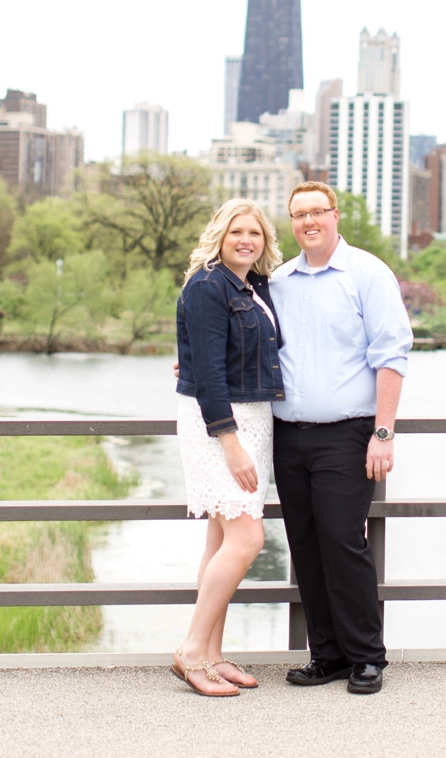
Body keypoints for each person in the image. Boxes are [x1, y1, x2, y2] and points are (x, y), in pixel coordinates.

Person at [273, 181, 412, 696]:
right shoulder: (280, 280)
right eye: (298, 214)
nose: (308, 222)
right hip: (288, 437)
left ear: (335, 215)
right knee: (305, 546)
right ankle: (326, 654)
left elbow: (392, 354)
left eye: (317, 212)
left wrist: (383, 432)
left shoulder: (368, 273)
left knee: (342, 541)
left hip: (348, 436)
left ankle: (366, 657)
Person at [171, 198, 285, 697]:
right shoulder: (207, 285)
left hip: (252, 419)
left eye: (255, 234)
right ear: (219, 233)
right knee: (247, 539)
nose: (246, 240)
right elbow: (211, 374)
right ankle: (191, 653)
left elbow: (223, 353)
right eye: (237, 231)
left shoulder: (254, 286)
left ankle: (213, 657)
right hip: (222, 426)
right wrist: (231, 442)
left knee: (221, 539)